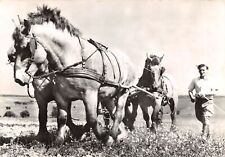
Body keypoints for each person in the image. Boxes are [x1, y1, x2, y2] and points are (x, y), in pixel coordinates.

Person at [188, 64, 218, 139]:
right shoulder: (195, 80)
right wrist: (192, 97)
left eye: (203, 70)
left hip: (208, 102)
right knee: (200, 117)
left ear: (207, 70)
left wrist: (206, 93)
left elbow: (216, 91)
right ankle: (210, 134)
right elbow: (190, 90)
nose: (202, 72)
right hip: (198, 102)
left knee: (205, 117)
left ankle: (203, 137)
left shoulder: (211, 80)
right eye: (200, 70)